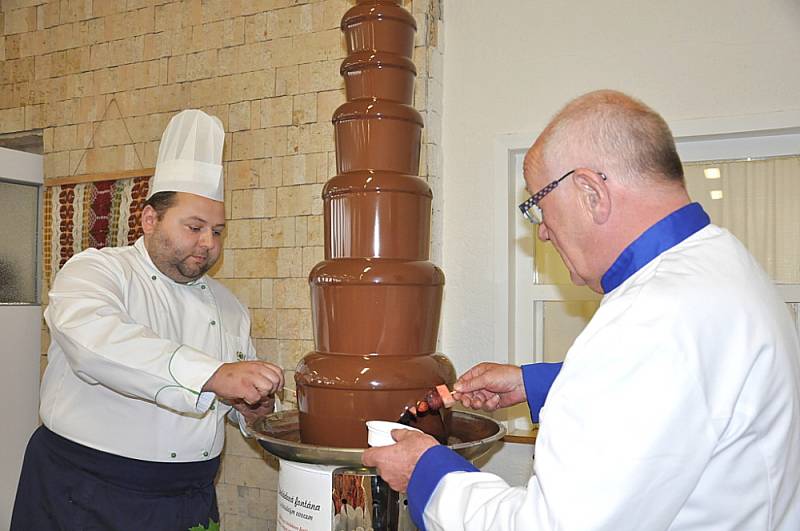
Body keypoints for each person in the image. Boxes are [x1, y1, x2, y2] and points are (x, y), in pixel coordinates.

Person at [362, 90, 800, 530]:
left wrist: (427, 474)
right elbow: (684, 393)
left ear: (591, 193)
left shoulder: (650, 319)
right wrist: (534, 384)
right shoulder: (720, 264)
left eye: (537, 207)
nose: (544, 234)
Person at [11, 110, 284, 531]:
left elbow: (228, 399)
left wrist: (252, 410)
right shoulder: (96, 272)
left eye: (217, 231)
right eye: (194, 227)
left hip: (188, 497)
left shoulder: (230, 307)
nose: (208, 243)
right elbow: (98, 345)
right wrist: (214, 375)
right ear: (149, 219)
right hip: (86, 490)